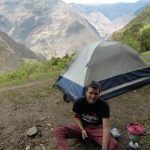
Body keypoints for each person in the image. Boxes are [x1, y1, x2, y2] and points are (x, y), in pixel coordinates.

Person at [54, 81, 118, 150]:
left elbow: (106, 128)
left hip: (95, 128)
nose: (93, 96)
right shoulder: (79, 102)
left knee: (112, 144)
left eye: (96, 94)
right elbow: (76, 117)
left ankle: (90, 138)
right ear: (86, 92)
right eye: (91, 93)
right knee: (59, 131)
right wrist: (82, 129)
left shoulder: (104, 105)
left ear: (99, 93)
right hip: (82, 126)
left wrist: (104, 148)